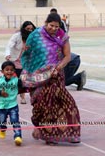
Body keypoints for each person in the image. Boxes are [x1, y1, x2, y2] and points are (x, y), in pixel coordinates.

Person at [21, 13, 81, 145]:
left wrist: (58, 68)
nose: (54, 29)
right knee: (43, 105)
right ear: (45, 23)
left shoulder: (62, 36)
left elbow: (67, 56)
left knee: (66, 103)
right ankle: (47, 133)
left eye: (56, 26)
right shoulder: (36, 35)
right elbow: (27, 53)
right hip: (39, 76)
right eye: (51, 25)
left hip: (56, 75)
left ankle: (71, 133)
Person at [50, 8, 86, 91]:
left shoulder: (61, 26)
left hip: (72, 61)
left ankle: (79, 77)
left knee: (63, 81)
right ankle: (77, 79)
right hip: (72, 60)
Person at [0, 61, 23, 146]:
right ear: (2, 71)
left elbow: (23, 87)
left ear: (14, 71)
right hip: (2, 106)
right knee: (1, 121)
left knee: (15, 121)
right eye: (7, 70)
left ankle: (18, 137)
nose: (9, 71)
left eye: (11, 70)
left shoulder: (17, 81)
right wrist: (0, 92)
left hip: (13, 105)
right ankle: (2, 129)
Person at [5, 21, 36, 104]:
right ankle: (17, 96)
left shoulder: (33, 37)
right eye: (28, 29)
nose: (30, 30)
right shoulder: (17, 36)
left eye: (31, 29)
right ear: (23, 29)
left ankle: (31, 97)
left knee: (26, 80)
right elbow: (9, 45)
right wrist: (7, 54)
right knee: (18, 80)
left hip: (26, 62)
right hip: (15, 61)